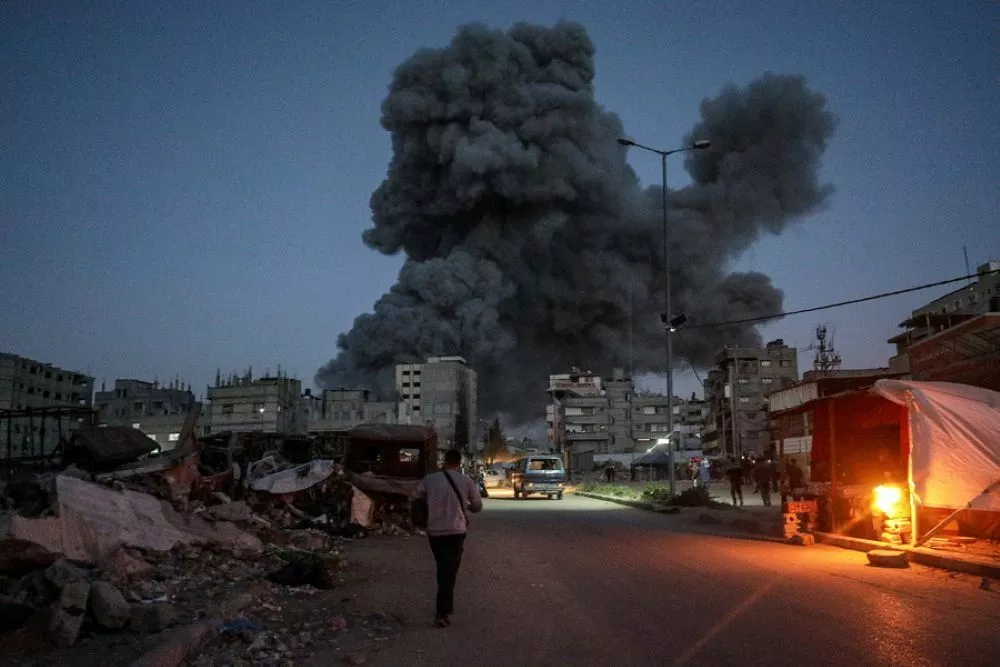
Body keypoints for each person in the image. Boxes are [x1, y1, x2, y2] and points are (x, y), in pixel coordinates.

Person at [414, 449, 484, 628]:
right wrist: (466, 505)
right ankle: (442, 612)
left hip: (435, 530)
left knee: (443, 567)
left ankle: (444, 607)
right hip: (456, 530)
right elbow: (477, 506)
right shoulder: (466, 481)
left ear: (444, 461)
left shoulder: (429, 480)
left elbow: (416, 497)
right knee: (449, 570)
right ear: (459, 463)